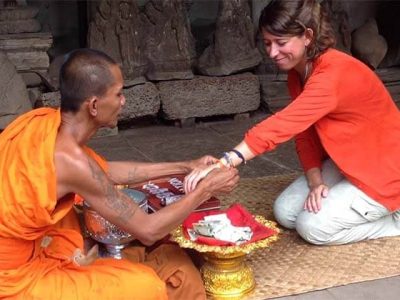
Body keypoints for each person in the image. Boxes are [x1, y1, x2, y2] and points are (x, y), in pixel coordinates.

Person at [0, 48, 239, 299]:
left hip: (19, 248)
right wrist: (205, 190)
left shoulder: (45, 123)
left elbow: (106, 171)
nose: (123, 101)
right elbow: (148, 230)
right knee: (147, 285)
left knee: (72, 221)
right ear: (94, 105)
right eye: (118, 94)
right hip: (13, 278)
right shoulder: (71, 160)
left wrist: (185, 166)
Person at [185, 0, 400, 246]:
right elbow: (304, 134)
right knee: (285, 212)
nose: (272, 52)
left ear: (308, 36)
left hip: (386, 169)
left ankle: (395, 220)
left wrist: (226, 161)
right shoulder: (299, 74)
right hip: (349, 161)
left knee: (313, 228)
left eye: (281, 43)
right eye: (267, 43)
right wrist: (316, 182)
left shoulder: (333, 73)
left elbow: (283, 125)